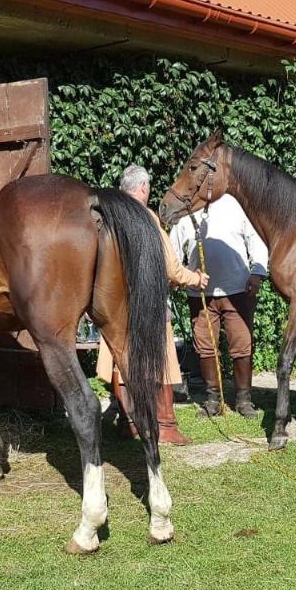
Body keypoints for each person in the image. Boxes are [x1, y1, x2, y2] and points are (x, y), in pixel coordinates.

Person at [96, 165, 209, 446]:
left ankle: (129, 423)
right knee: (163, 362)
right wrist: (195, 278)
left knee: (121, 362)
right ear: (144, 187)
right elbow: (171, 267)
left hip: (114, 305)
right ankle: (166, 426)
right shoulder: (147, 217)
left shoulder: (107, 216)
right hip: (149, 305)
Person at [169, 194, 268, 418]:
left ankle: (244, 400)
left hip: (237, 290)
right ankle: (213, 399)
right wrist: (180, 276)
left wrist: (257, 273)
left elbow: (256, 239)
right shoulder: (187, 210)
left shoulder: (236, 204)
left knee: (241, 344)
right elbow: (173, 251)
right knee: (204, 346)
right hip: (200, 293)